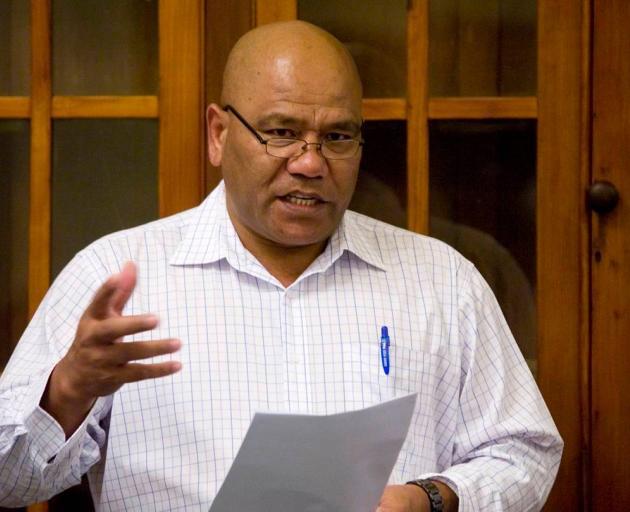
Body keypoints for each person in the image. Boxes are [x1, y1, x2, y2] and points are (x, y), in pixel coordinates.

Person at [0, 21, 562, 511]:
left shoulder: (440, 279)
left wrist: (433, 498)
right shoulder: (117, 276)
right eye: (282, 133)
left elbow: (525, 452)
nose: (311, 163)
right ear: (219, 134)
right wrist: (67, 391)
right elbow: (7, 480)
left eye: (337, 137)